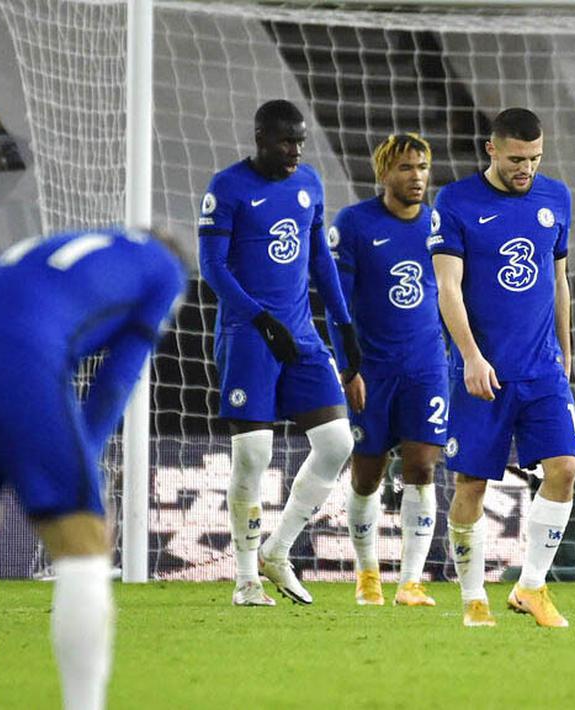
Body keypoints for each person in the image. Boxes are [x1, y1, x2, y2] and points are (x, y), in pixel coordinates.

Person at [0, 226, 186, 710]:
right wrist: (86, 462)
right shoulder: (166, 269)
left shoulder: (59, 244)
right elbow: (119, 376)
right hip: (19, 358)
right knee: (84, 546)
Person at [198, 99, 361, 606]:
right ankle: (246, 578)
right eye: (286, 141)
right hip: (248, 334)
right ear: (261, 139)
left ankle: (278, 549)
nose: (294, 151)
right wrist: (260, 319)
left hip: (301, 334)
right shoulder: (227, 188)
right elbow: (212, 267)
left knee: (336, 443)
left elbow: (320, 261)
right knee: (253, 455)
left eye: (300, 142)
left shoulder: (309, 183)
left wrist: (344, 327)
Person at [429, 107, 575, 628]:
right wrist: (470, 356)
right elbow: (447, 287)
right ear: (491, 149)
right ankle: (473, 598)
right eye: (517, 159)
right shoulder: (455, 201)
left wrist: (566, 354)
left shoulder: (556, 197)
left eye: (535, 158)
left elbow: (559, 281)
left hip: (542, 369)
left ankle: (531, 587)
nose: (527, 169)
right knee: (471, 485)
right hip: (482, 373)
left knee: (564, 470)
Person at [327, 133, 445, 607]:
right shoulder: (354, 224)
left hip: (426, 366)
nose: (416, 177)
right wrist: (348, 367)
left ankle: (411, 581)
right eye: (405, 168)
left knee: (422, 465)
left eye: (422, 167)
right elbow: (337, 305)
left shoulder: (438, 225)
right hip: (371, 370)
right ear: (383, 173)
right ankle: (367, 571)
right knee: (367, 475)